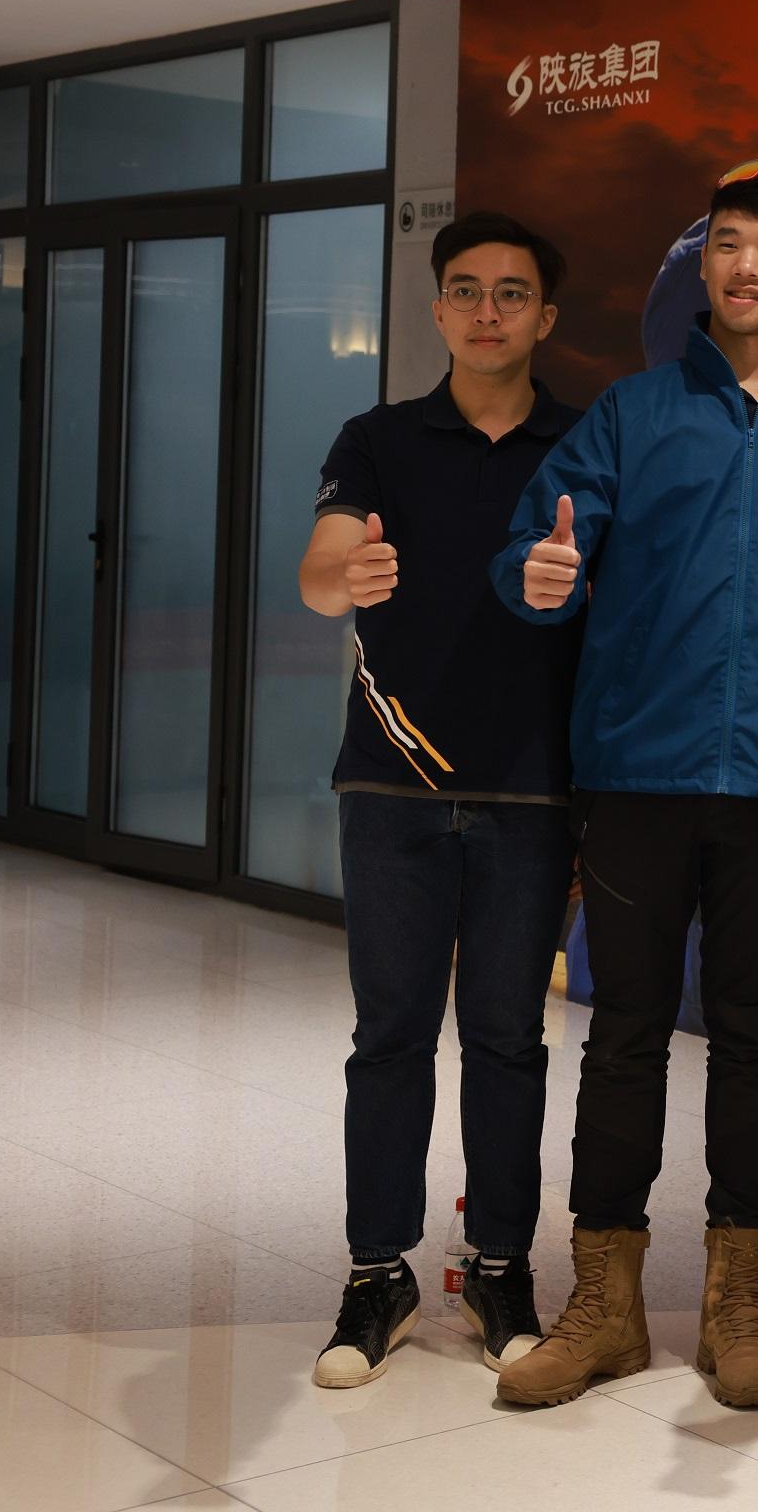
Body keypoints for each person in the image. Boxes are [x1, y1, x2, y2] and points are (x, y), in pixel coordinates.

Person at [487, 161, 758, 1412]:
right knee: (618, 1036)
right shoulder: (632, 414)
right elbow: (533, 552)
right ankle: (602, 1304)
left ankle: (739, 1304)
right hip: (638, 773)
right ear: (702, 262)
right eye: (726, 242)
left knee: (756, 1045)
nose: (745, 265)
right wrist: (536, 577)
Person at [297, 212, 583, 1389]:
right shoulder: (377, 438)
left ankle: (502, 1261)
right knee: (391, 1034)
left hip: (530, 786)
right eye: (464, 290)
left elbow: (614, 580)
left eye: (511, 292)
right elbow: (320, 570)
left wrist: (579, 578)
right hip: (392, 782)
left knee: (511, 1037)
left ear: (544, 315)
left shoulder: (583, 441)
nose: (486, 311)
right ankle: (378, 1272)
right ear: (436, 309)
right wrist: (342, 576)